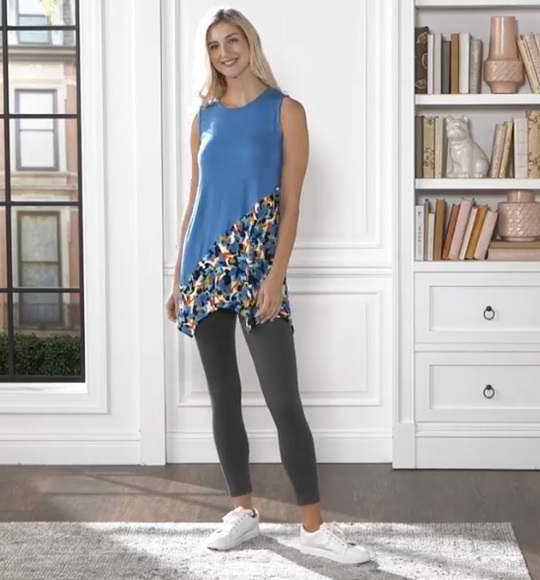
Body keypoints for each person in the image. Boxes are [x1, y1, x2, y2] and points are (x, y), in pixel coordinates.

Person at [164, 6, 371, 566]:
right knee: (224, 397)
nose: (224, 53)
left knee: (283, 400)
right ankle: (243, 512)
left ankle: (314, 527)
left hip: (257, 265)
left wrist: (276, 275)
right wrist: (178, 276)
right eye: (214, 45)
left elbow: (292, 202)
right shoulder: (203, 117)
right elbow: (195, 199)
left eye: (232, 40)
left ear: (250, 44)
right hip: (204, 267)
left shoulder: (286, 111)